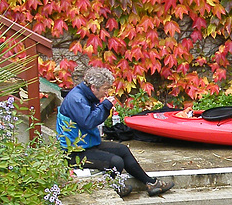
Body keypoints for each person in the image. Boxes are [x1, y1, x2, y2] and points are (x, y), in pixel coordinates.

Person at [56, 67, 174, 198]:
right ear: (94, 87)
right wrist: (105, 106)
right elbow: (88, 122)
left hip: (87, 144)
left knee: (122, 150)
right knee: (116, 162)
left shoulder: (86, 95)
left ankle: (151, 183)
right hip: (74, 152)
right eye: (105, 89)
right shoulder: (76, 99)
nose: (106, 93)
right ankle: (115, 189)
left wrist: (103, 106)